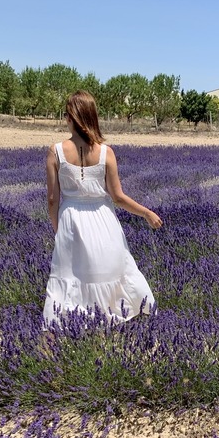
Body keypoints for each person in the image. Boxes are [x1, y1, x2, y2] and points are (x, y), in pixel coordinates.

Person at [42, 90, 162, 327]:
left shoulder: (55, 151)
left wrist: (59, 230)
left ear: (69, 118)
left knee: (69, 277)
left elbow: (52, 200)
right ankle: (113, 320)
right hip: (103, 219)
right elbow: (118, 197)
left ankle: (71, 325)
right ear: (93, 116)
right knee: (110, 271)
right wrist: (146, 212)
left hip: (70, 220)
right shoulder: (106, 152)